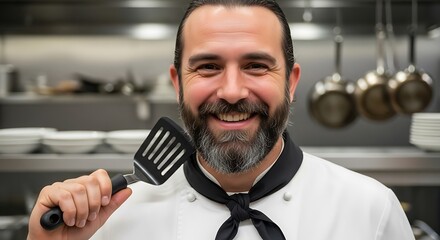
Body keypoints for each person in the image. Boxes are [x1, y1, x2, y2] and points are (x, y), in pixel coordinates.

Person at [27, 0, 415, 239]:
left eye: (256, 66)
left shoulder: (370, 211)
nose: (231, 91)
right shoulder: (108, 221)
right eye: (208, 66)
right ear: (177, 83)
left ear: (291, 83)